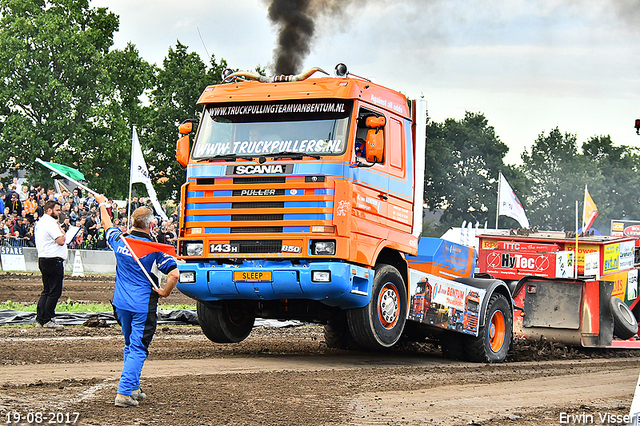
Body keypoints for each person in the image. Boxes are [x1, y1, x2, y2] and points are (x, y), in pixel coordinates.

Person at [95, 193, 178, 408]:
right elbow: (174, 274)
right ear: (151, 227)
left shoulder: (119, 239)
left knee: (130, 344)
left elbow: (107, 224)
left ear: (132, 222)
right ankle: (123, 393)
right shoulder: (155, 249)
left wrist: (102, 204)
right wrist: (165, 292)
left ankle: (133, 386)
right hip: (142, 305)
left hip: (120, 303)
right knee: (139, 348)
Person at [34, 200, 67, 329]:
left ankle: (40, 318)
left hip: (43, 258)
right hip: (53, 259)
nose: (59, 213)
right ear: (49, 210)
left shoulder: (41, 222)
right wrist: (60, 229)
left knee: (46, 290)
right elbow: (60, 240)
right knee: (54, 291)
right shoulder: (50, 222)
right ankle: (48, 319)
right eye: (57, 210)